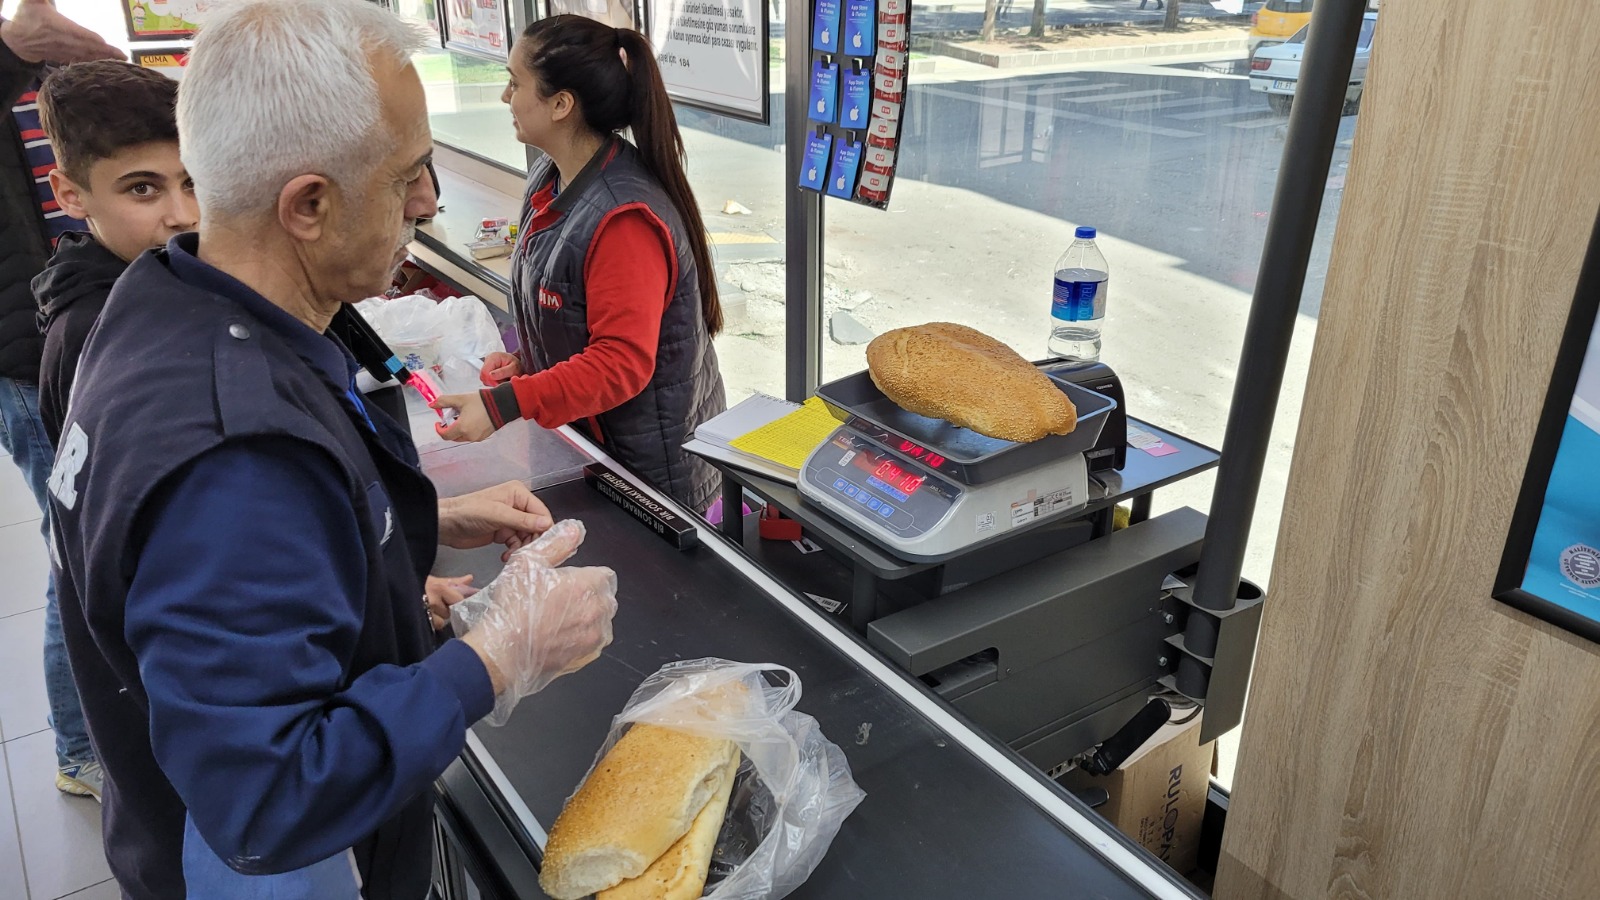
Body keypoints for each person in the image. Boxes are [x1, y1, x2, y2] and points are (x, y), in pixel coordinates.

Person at [45, 2, 618, 898]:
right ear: (308, 205)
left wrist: (393, 537)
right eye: (406, 178)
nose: (427, 205)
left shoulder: (163, 300)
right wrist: (500, 653)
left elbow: (229, 582)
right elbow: (268, 799)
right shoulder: (235, 456)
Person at [432, 15, 728, 514]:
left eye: (515, 82)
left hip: (647, 476)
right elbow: (576, 312)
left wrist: (504, 405)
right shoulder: (551, 177)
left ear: (562, 104)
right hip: (588, 447)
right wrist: (531, 363)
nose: (506, 98)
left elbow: (620, 364)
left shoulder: (621, 219)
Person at [1, 0, 121, 801]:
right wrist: (9, 51)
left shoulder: (50, 81)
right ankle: (80, 748)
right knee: (75, 557)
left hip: (88, 333)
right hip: (28, 357)